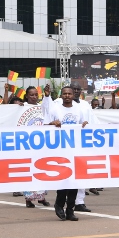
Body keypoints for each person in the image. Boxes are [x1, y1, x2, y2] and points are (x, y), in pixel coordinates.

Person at [45, 86, 88, 221]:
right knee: (64, 179)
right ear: (61, 95)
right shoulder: (55, 108)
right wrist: (53, 123)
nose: (68, 96)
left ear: (73, 94)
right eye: (65, 94)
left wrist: (85, 124)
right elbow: (45, 125)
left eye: (70, 93)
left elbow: (84, 125)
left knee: (74, 181)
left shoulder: (79, 108)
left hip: (75, 149)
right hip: (60, 149)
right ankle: (59, 205)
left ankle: (70, 210)